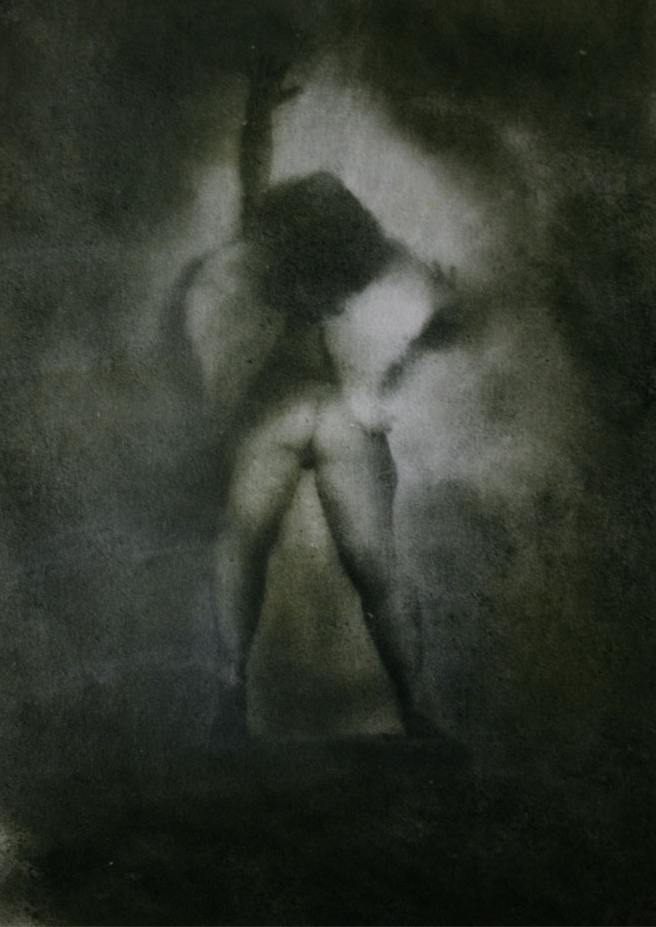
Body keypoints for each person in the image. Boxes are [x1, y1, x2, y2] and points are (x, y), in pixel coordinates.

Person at [171, 58, 465, 741]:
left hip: (310, 409)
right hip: (312, 410)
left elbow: (254, 188)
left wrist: (257, 113)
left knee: (277, 551)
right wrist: (257, 113)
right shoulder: (352, 264)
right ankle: (408, 708)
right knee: (328, 560)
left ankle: (246, 696)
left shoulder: (330, 263)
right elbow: (433, 316)